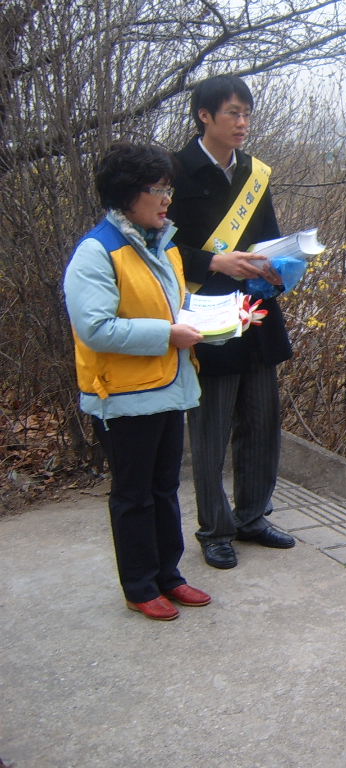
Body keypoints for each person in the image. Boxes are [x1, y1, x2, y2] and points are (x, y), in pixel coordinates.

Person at [63, 142, 211, 621]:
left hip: (168, 387)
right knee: (133, 495)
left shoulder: (162, 245)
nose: (167, 198)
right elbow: (97, 328)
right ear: (127, 194)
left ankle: (170, 576)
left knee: (166, 488)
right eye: (157, 189)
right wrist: (170, 335)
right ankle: (140, 584)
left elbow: (175, 308)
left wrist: (218, 322)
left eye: (169, 187)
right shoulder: (97, 251)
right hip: (123, 398)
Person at [168, 74, 295, 570]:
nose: (242, 123)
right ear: (205, 115)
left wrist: (281, 264)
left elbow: (270, 234)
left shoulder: (255, 173)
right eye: (232, 114)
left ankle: (252, 515)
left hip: (257, 312)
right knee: (211, 428)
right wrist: (213, 263)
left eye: (246, 113)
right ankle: (214, 529)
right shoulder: (175, 172)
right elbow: (161, 249)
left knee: (263, 421)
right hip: (205, 314)